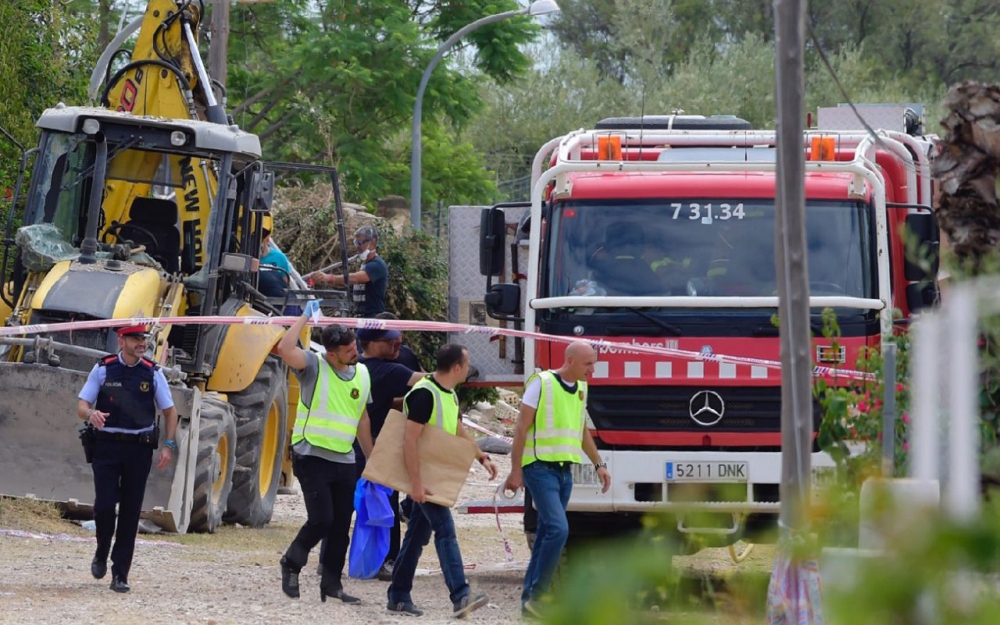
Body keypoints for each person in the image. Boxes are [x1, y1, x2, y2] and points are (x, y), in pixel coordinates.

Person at [274, 300, 374, 604]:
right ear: (331, 354)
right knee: (322, 519)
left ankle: (331, 584)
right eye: (348, 350)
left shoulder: (362, 373)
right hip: (311, 454)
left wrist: (372, 459)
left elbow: (362, 419)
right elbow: (284, 349)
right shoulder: (314, 364)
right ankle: (291, 563)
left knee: (342, 525)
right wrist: (305, 316)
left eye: (355, 346)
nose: (355, 352)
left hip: (343, 457)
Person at [387, 344, 498, 618]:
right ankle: (460, 595)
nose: (469, 368)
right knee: (445, 531)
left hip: (432, 475)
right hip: (424, 478)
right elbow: (409, 440)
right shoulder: (426, 394)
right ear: (457, 368)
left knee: (416, 536)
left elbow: (458, 428)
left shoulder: (447, 393)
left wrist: (482, 457)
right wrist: (415, 483)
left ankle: (398, 596)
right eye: (467, 362)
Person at [503, 341, 612, 618]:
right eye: (588, 363)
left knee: (545, 534)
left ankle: (530, 602)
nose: (593, 369)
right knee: (558, 529)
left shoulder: (581, 389)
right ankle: (540, 596)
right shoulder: (542, 383)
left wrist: (599, 464)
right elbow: (520, 428)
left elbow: (581, 430)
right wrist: (516, 471)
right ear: (571, 360)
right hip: (539, 468)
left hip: (564, 471)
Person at [76, 324, 179, 593]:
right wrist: (91, 415)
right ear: (121, 341)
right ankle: (101, 549)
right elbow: (82, 406)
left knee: (131, 511)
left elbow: (170, 412)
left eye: (142, 339)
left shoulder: (153, 373)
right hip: (107, 447)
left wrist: (168, 445)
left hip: (138, 449)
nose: (141, 343)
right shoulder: (103, 369)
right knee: (105, 506)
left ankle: (120, 574)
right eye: (134, 339)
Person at [354, 326, 425, 580]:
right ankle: (388, 559)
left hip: (349, 444)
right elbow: (427, 380)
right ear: (372, 343)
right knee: (387, 503)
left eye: (400, 339)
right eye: (391, 341)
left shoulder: (355, 367)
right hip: (373, 444)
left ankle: (331, 560)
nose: (398, 345)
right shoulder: (388, 369)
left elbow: (376, 399)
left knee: (345, 506)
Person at [309, 225, 387, 317]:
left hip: (372, 319)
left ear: (372, 241)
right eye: (356, 243)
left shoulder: (377, 265)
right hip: (360, 317)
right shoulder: (365, 265)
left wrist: (329, 278)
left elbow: (354, 279)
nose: (358, 247)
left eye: (360, 243)